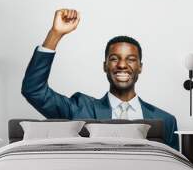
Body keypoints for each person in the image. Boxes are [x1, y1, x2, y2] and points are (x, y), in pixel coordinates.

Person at [21, 9, 179, 150]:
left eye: (130, 59)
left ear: (140, 67)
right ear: (105, 66)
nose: (122, 65)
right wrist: (55, 34)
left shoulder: (165, 121)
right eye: (114, 59)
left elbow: (174, 169)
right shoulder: (80, 108)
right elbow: (34, 90)